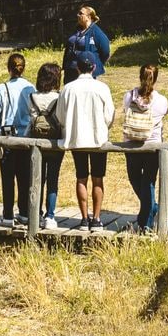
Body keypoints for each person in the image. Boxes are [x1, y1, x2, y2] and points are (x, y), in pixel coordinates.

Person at [55, 53, 115, 231]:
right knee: (98, 179)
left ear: (77, 67)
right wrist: (104, 127)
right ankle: (96, 218)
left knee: (81, 177)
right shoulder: (102, 88)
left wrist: (69, 127)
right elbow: (109, 115)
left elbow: (60, 116)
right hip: (97, 139)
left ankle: (83, 218)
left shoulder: (68, 88)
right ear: (94, 67)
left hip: (77, 138)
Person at [121, 63, 168, 233]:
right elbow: (163, 114)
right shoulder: (162, 100)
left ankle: (145, 220)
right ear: (155, 79)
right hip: (153, 144)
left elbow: (125, 110)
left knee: (135, 179)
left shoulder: (128, 96)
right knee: (149, 181)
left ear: (140, 76)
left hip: (131, 143)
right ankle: (150, 211)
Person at [0, 52, 34, 228]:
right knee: (24, 178)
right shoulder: (30, 88)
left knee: (7, 179)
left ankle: (7, 214)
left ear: (8, 68)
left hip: (7, 138)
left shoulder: (2, 88)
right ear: (23, 68)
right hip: (26, 139)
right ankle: (24, 213)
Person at [28, 62, 64, 230]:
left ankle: (36, 213)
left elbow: (31, 118)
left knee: (37, 179)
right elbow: (62, 119)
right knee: (53, 180)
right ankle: (50, 215)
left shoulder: (32, 96)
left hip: (37, 141)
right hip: (55, 142)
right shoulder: (59, 97)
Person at [62, 5, 111, 85]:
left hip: (85, 72)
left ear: (88, 17)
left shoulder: (96, 32)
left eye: (81, 13)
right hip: (71, 70)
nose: (78, 15)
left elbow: (105, 51)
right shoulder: (77, 29)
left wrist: (96, 62)